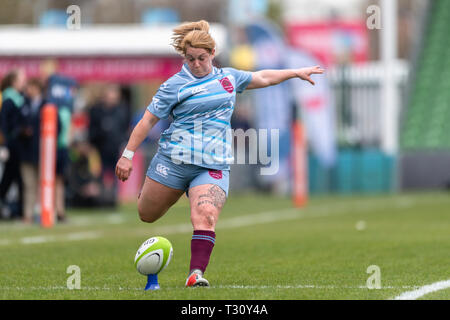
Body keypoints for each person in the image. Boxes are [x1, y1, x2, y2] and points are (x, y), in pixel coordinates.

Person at [115, 20, 324, 287]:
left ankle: (195, 274)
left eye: (202, 58)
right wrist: (128, 155)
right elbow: (147, 121)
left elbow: (262, 77)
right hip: (174, 162)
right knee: (146, 214)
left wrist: (294, 72)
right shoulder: (173, 86)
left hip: (211, 165)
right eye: (190, 59)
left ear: (212, 54)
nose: (196, 64)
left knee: (206, 215)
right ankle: (177, 188)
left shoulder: (228, 78)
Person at [89, 84, 129, 206]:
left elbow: (125, 128)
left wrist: (123, 142)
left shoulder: (122, 110)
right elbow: (92, 129)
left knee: (116, 173)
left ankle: (112, 199)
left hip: (115, 147)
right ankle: (101, 199)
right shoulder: (96, 110)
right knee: (99, 173)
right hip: (99, 147)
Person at [0, 69, 27, 220]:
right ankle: (21, 212)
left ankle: (20, 211)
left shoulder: (19, 98)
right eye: (22, 79)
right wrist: (4, 145)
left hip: (17, 144)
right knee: (13, 177)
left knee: (10, 178)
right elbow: (4, 123)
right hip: (12, 145)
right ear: (14, 81)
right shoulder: (9, 99)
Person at [18, 78, 46, 224]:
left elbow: (57, 126)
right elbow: (16, 124)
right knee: (28, 184)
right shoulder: (24, 104)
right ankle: (28, 215)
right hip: (26, 151)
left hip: (43, 152)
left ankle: (43, 213)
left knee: (43, 184)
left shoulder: (47, 104)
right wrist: (22, 131)